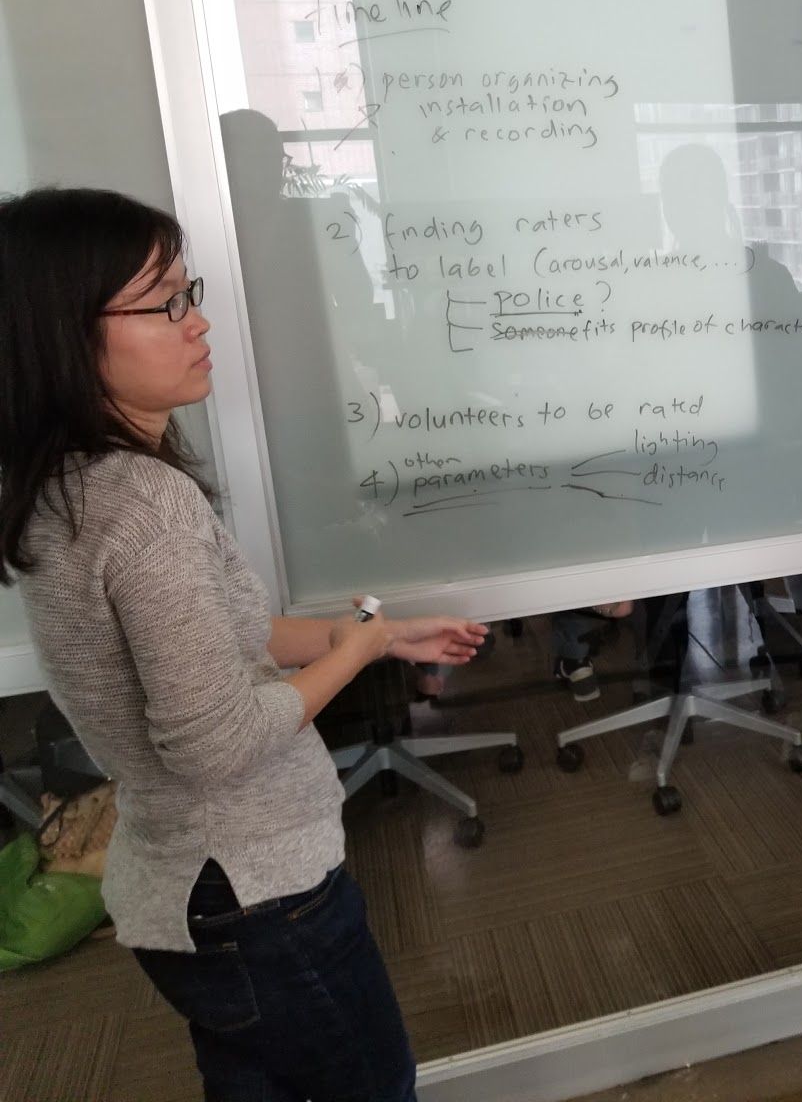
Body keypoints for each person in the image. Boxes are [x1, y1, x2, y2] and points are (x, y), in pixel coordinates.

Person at [0, 187, 489, 1101]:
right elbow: (214, 741)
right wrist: (355, 650)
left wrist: (371, 641)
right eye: (165, 304)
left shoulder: (70, 488)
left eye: (192, 294)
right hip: (262, 900)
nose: (197, 323)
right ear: (67, 334)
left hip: (182, 892)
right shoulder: (146, 510)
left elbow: (222, 639)